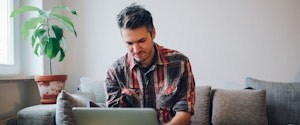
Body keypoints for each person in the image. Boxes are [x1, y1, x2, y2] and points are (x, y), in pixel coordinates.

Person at [104, 4, 195, 125]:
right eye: (129, 43)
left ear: (153, 34)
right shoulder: (115, 72)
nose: (136, 50)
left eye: (141, 41)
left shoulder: (180, 63)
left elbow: (184, 114)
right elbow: (115, 118)